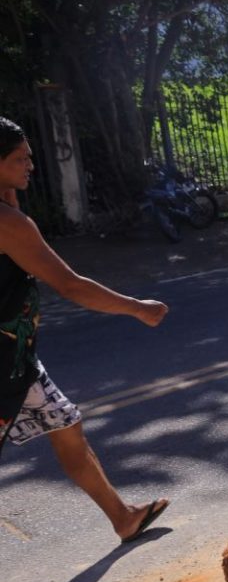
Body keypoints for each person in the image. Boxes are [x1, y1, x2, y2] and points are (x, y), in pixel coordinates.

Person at [0, 117, 170, 543]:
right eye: (21, 159)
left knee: (66, 426)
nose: (31, 166)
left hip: (18, 362)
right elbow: (70, 284)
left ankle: (122, 516)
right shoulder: (9, 224)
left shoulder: (8, 212)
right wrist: (136, 308)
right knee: (67, 427)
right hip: (3, 366)